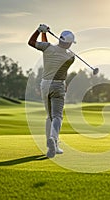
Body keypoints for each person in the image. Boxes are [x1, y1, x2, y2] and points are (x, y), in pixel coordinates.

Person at [28, 24, 75, 158]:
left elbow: (32, 42)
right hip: (58, 86)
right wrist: (44, 34)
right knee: (57, 116)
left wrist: (40, 31)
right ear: (69, 44)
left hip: (45, 85)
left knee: (50, 116)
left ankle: (52, 145)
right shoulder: (70, 57)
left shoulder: (47, 48)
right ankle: (53, 139)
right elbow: (61, 51)